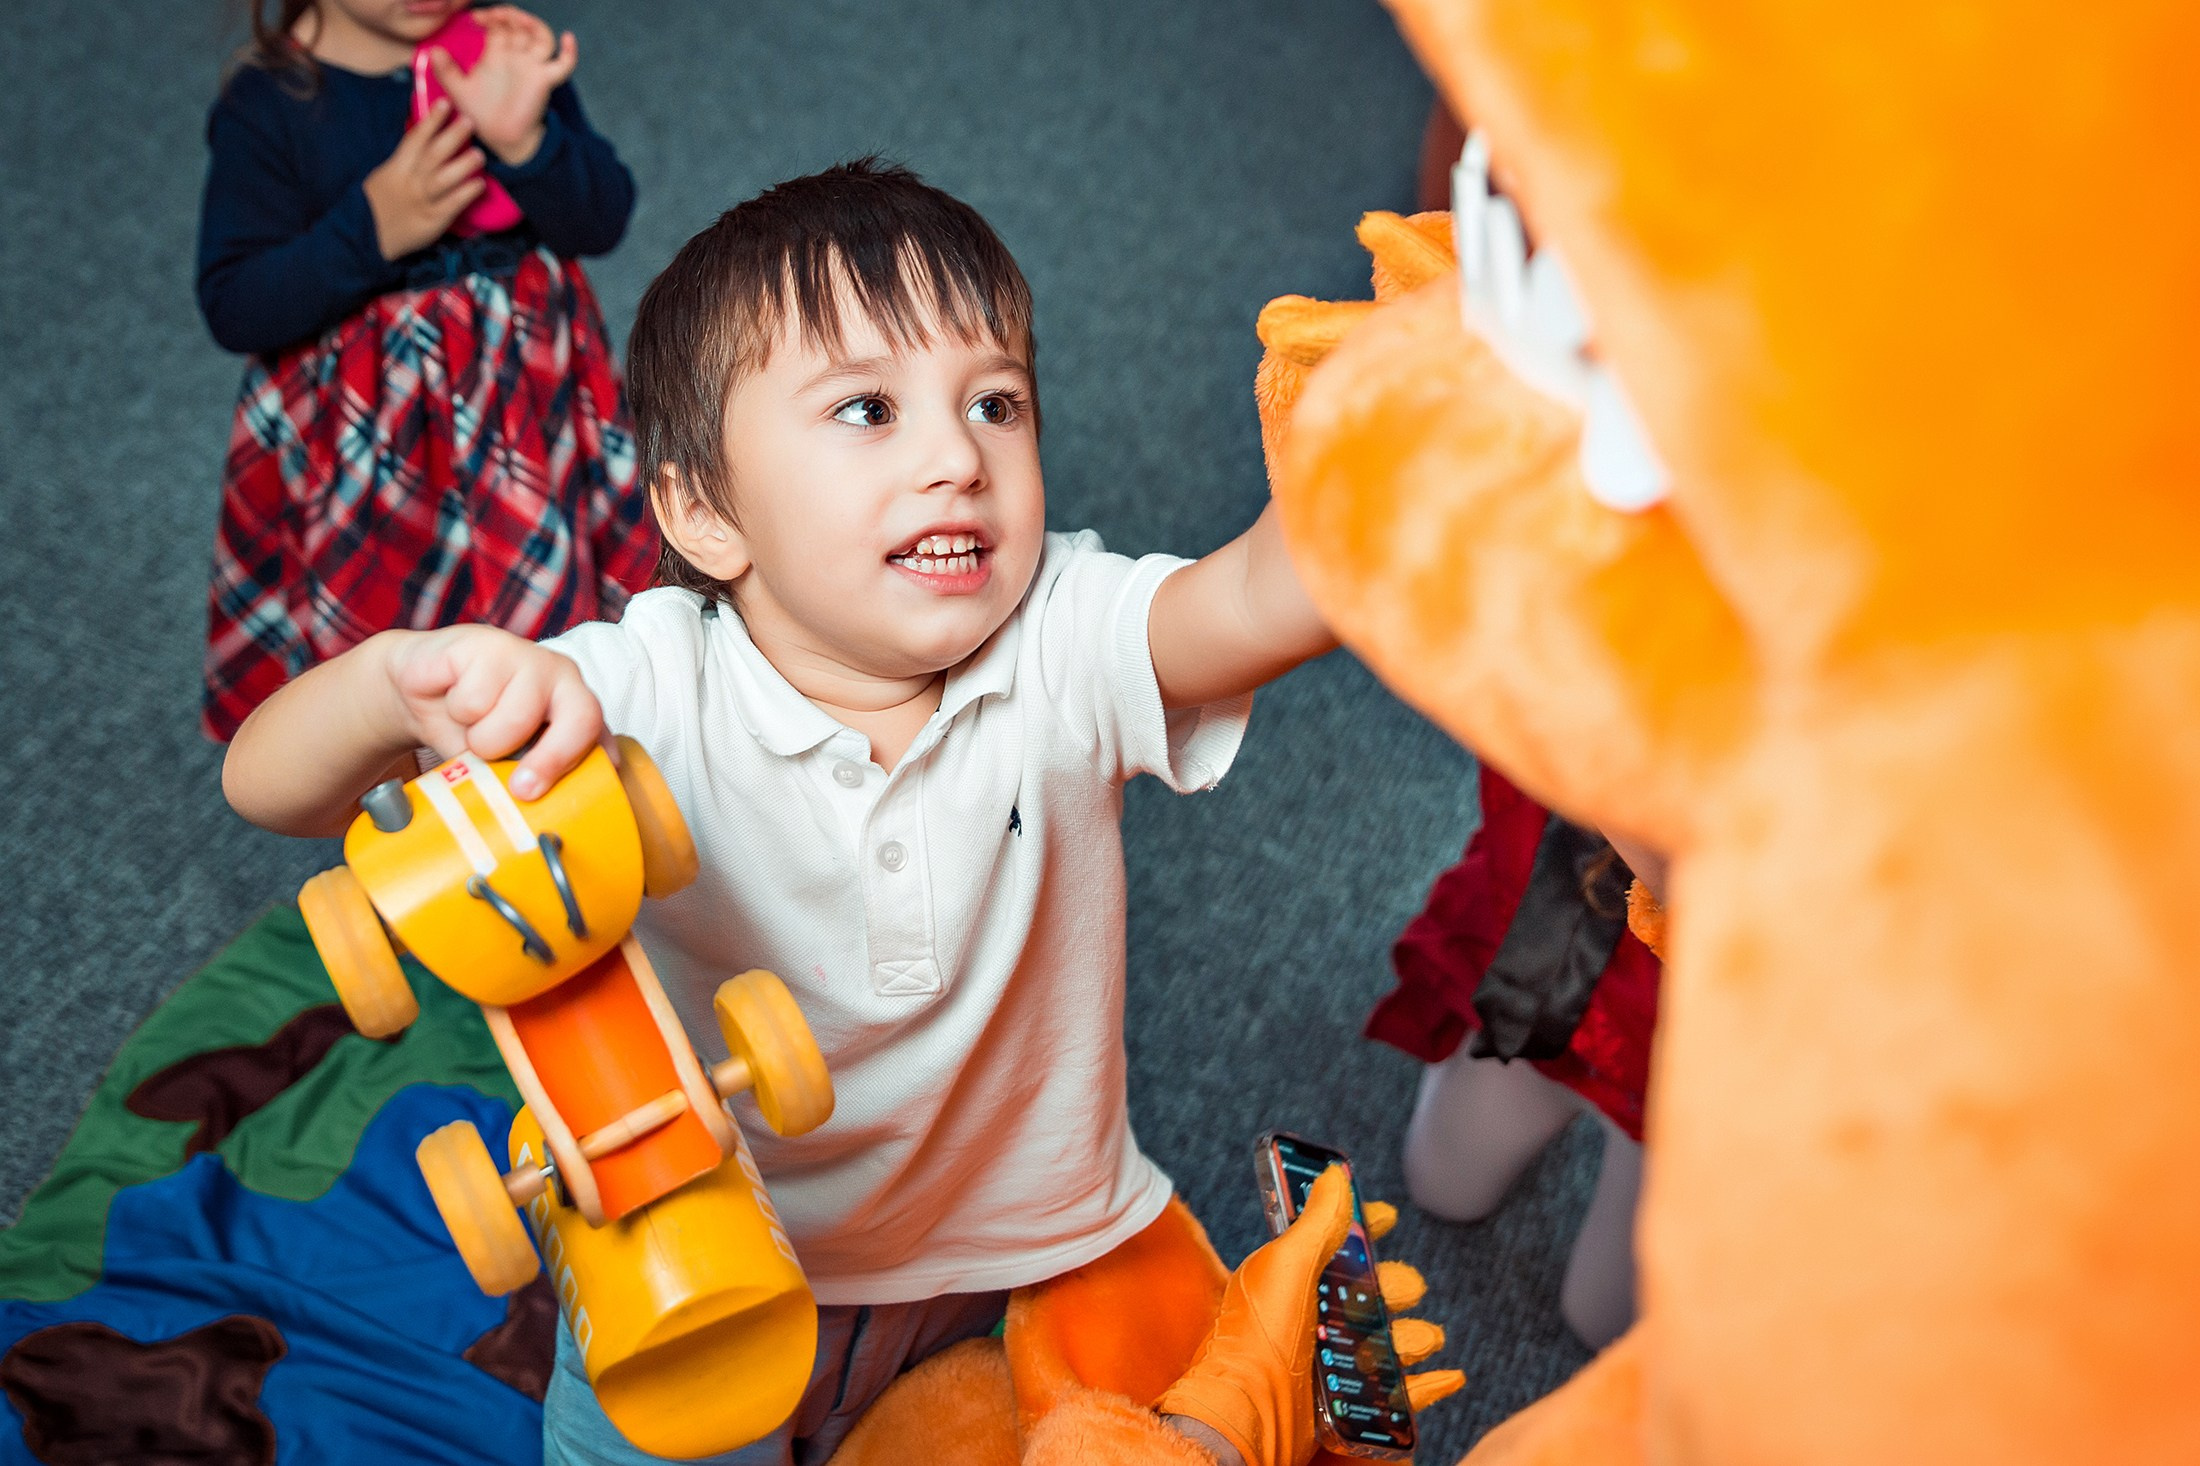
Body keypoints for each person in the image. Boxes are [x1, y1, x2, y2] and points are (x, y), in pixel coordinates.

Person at [222, 159, 1337, 1465]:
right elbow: (269, 785)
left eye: (997, 403)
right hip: (708, 1268)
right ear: (704, 511)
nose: (955, 458)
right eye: (868, 407)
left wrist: (1397, 440)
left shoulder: (1065, 634)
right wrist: (392, 685)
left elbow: (1268, 599)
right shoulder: (631, 690)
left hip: (1005, 1250)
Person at [195, 0, 653, 741]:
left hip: (527, 413)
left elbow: (600, 220)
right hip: (376, 455)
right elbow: (236, 304)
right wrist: (373, 223)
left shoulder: (498, 50)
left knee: (557, 648)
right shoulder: (273, 100)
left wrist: (527, 141)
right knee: (393, 664)